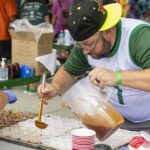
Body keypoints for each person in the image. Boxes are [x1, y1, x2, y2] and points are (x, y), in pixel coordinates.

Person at [37, 0, 150, 131]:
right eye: (81, 45)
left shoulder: (138, 36)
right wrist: (55, 87)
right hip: (116, 121)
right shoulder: (86, 44)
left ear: (108, 32)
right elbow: (69, 71)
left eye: (89, 44)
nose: (85, 51)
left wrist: (117, 77)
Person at [20, 0, 50, 95]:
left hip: (25, 33)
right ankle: (32, 87)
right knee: (36, 59)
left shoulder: (24, 4)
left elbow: (22, 20)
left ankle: (26, 86)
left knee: (25, 58)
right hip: (38, 34)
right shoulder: (42, 5)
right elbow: (47, 22)